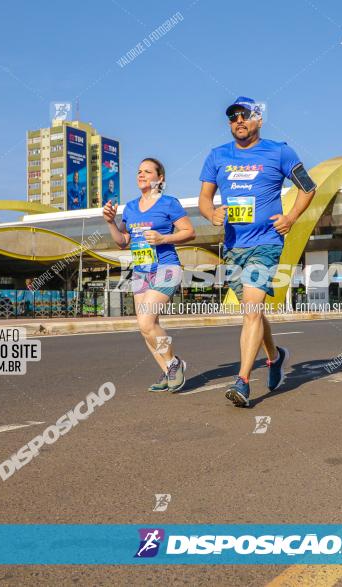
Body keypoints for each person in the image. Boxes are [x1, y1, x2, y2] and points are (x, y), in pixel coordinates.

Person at [198, 96, 316, 407]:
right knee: (255, 310)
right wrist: (211, 215)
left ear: (259, 120)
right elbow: (204, 200)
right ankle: (275, 357)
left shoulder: (279, 151)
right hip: (234, 245)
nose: (240, 120)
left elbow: (309, 186)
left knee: (250, 310)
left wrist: (290, 218)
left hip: (267, 243)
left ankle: (243, 381)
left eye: (246, 115)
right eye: (234, 116)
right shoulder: (216, 156)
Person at [103, 158, 195, 392]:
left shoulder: (169, 203)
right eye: (139, 171)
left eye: (147, 171)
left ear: (160, 178)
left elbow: (189, 232)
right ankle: (167, 372)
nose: (141, 175)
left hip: (166, 268)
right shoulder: (131, 208)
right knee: (146, 327)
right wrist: (111, 222)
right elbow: (123, 241)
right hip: (141, 272)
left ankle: (174, 364)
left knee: (146, 320)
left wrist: (164, 238)